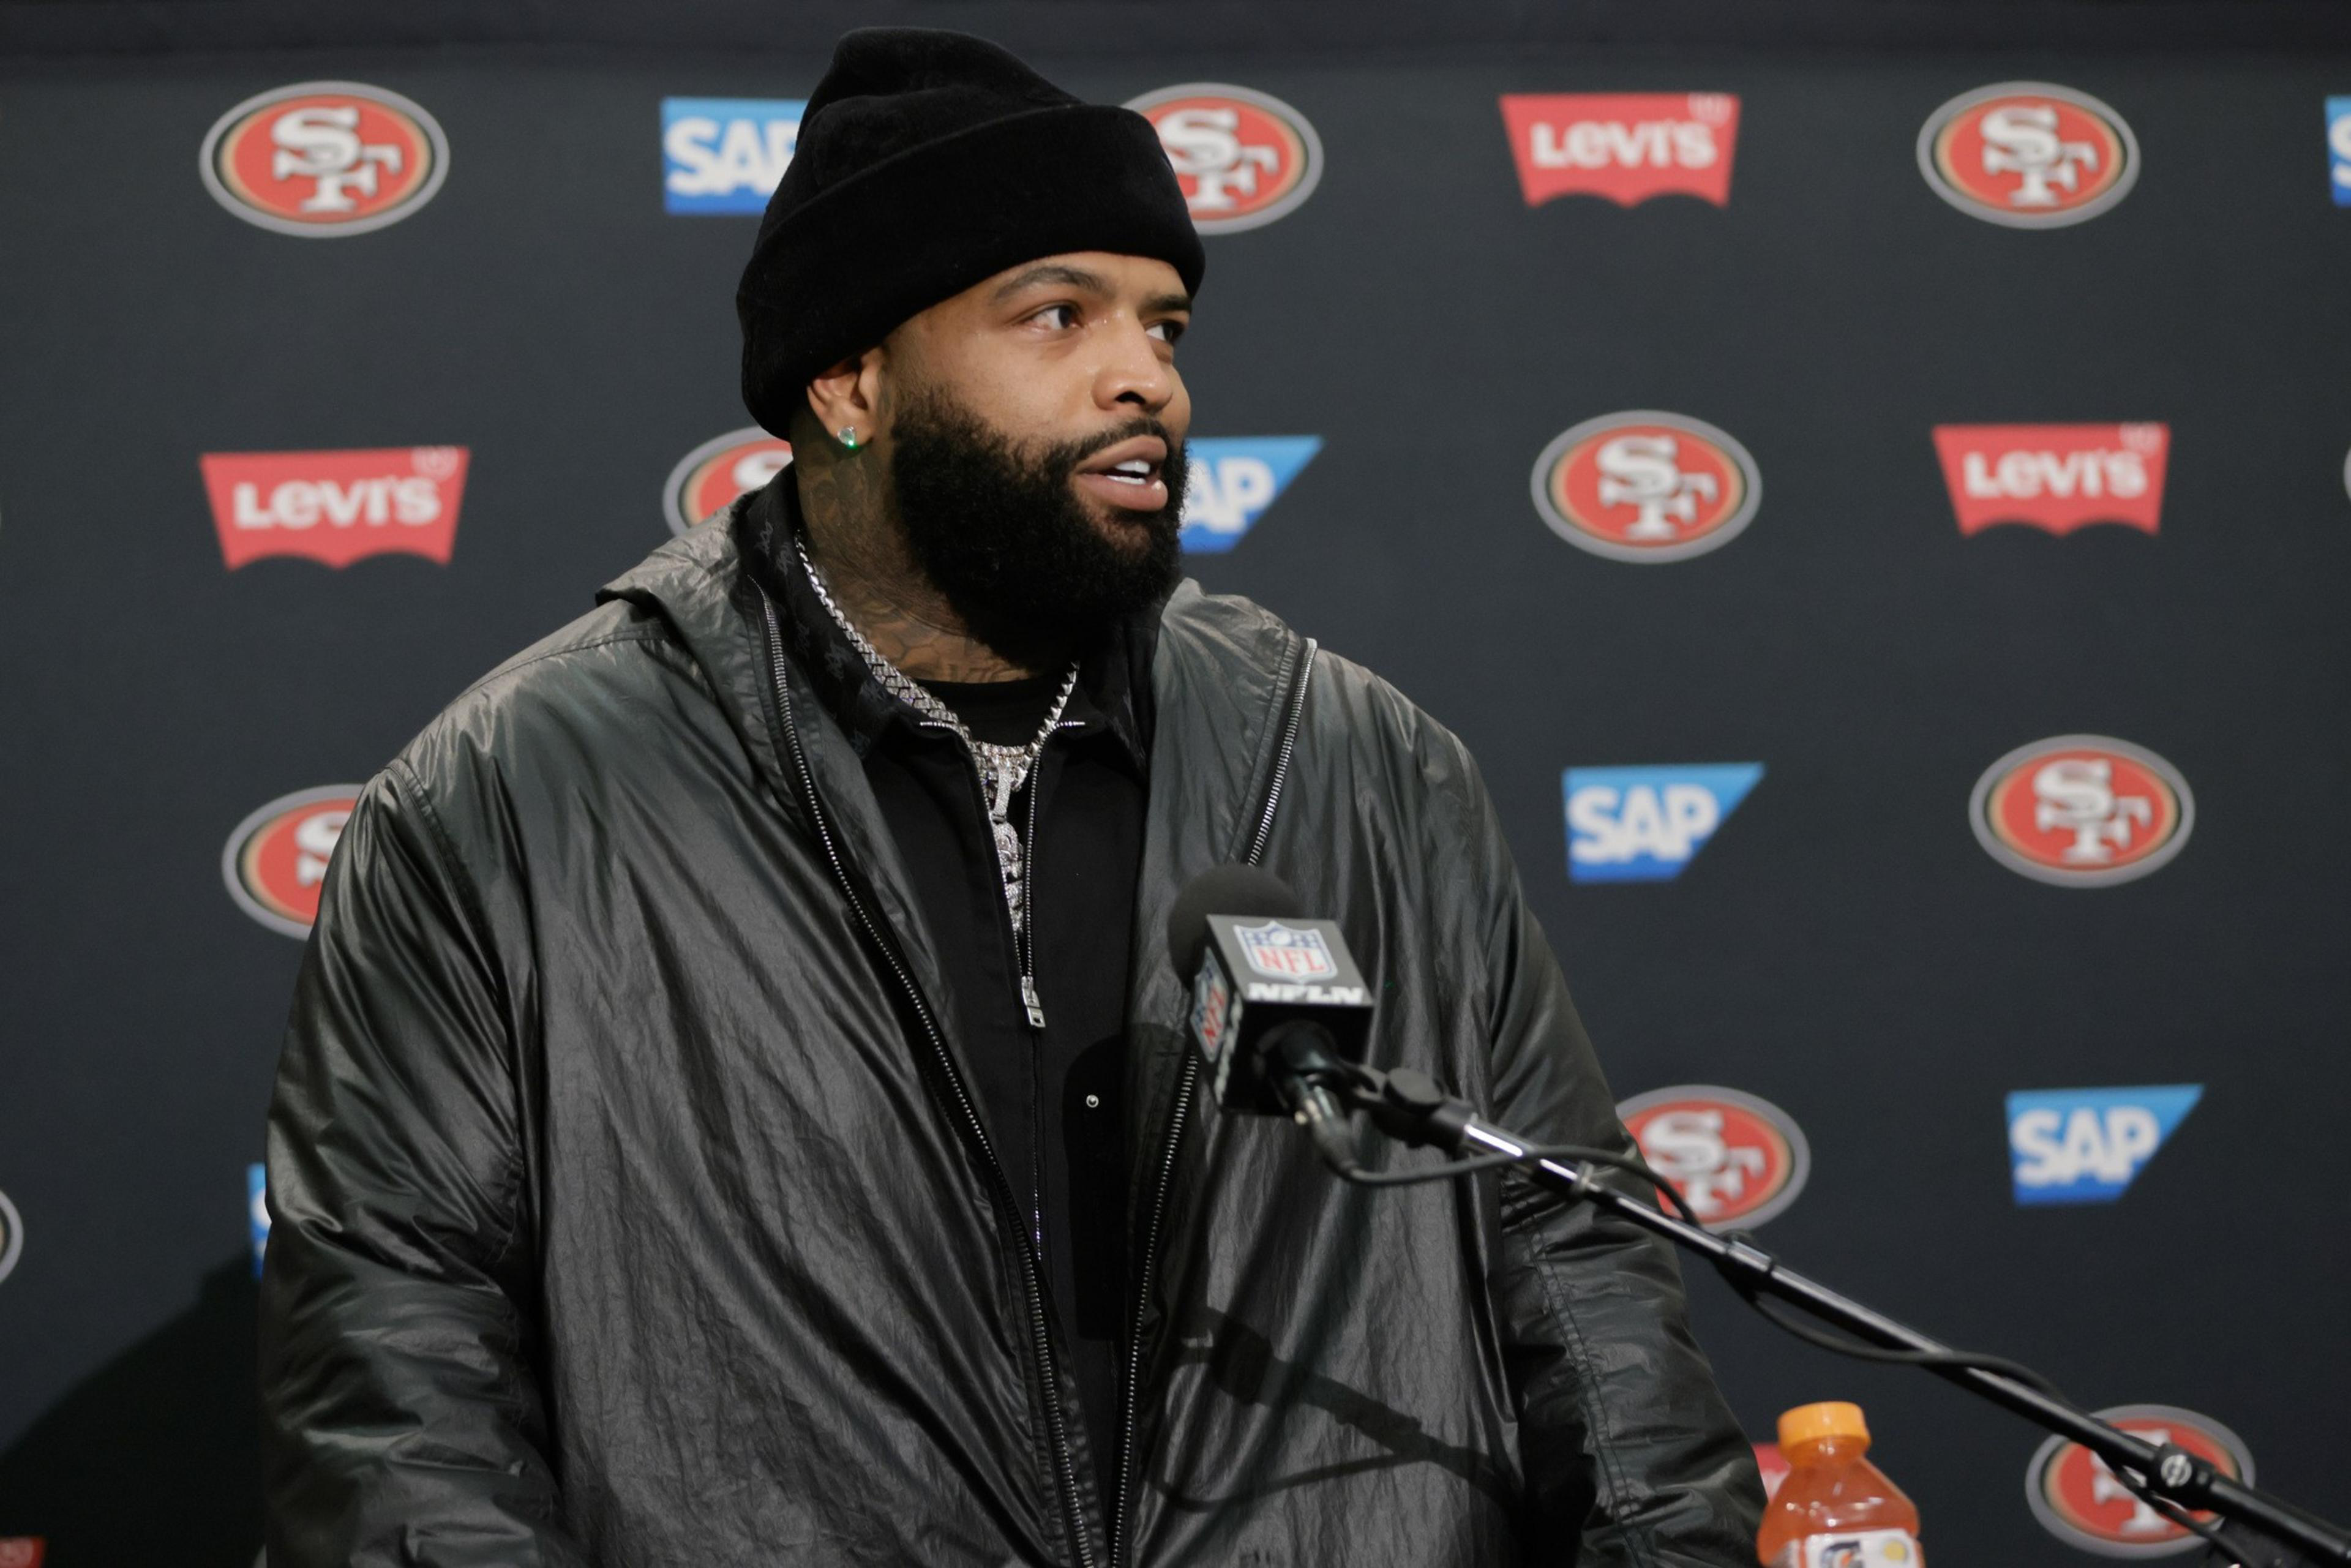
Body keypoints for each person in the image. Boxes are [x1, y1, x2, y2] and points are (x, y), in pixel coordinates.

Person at [259, 27, 1764, 1567]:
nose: (1146, 380)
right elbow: (398, 1383)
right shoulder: (514, 797)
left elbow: (1577, 1269)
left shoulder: (1359, 761)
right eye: (1057, 315)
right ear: (849, 379)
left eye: (1166, 326)